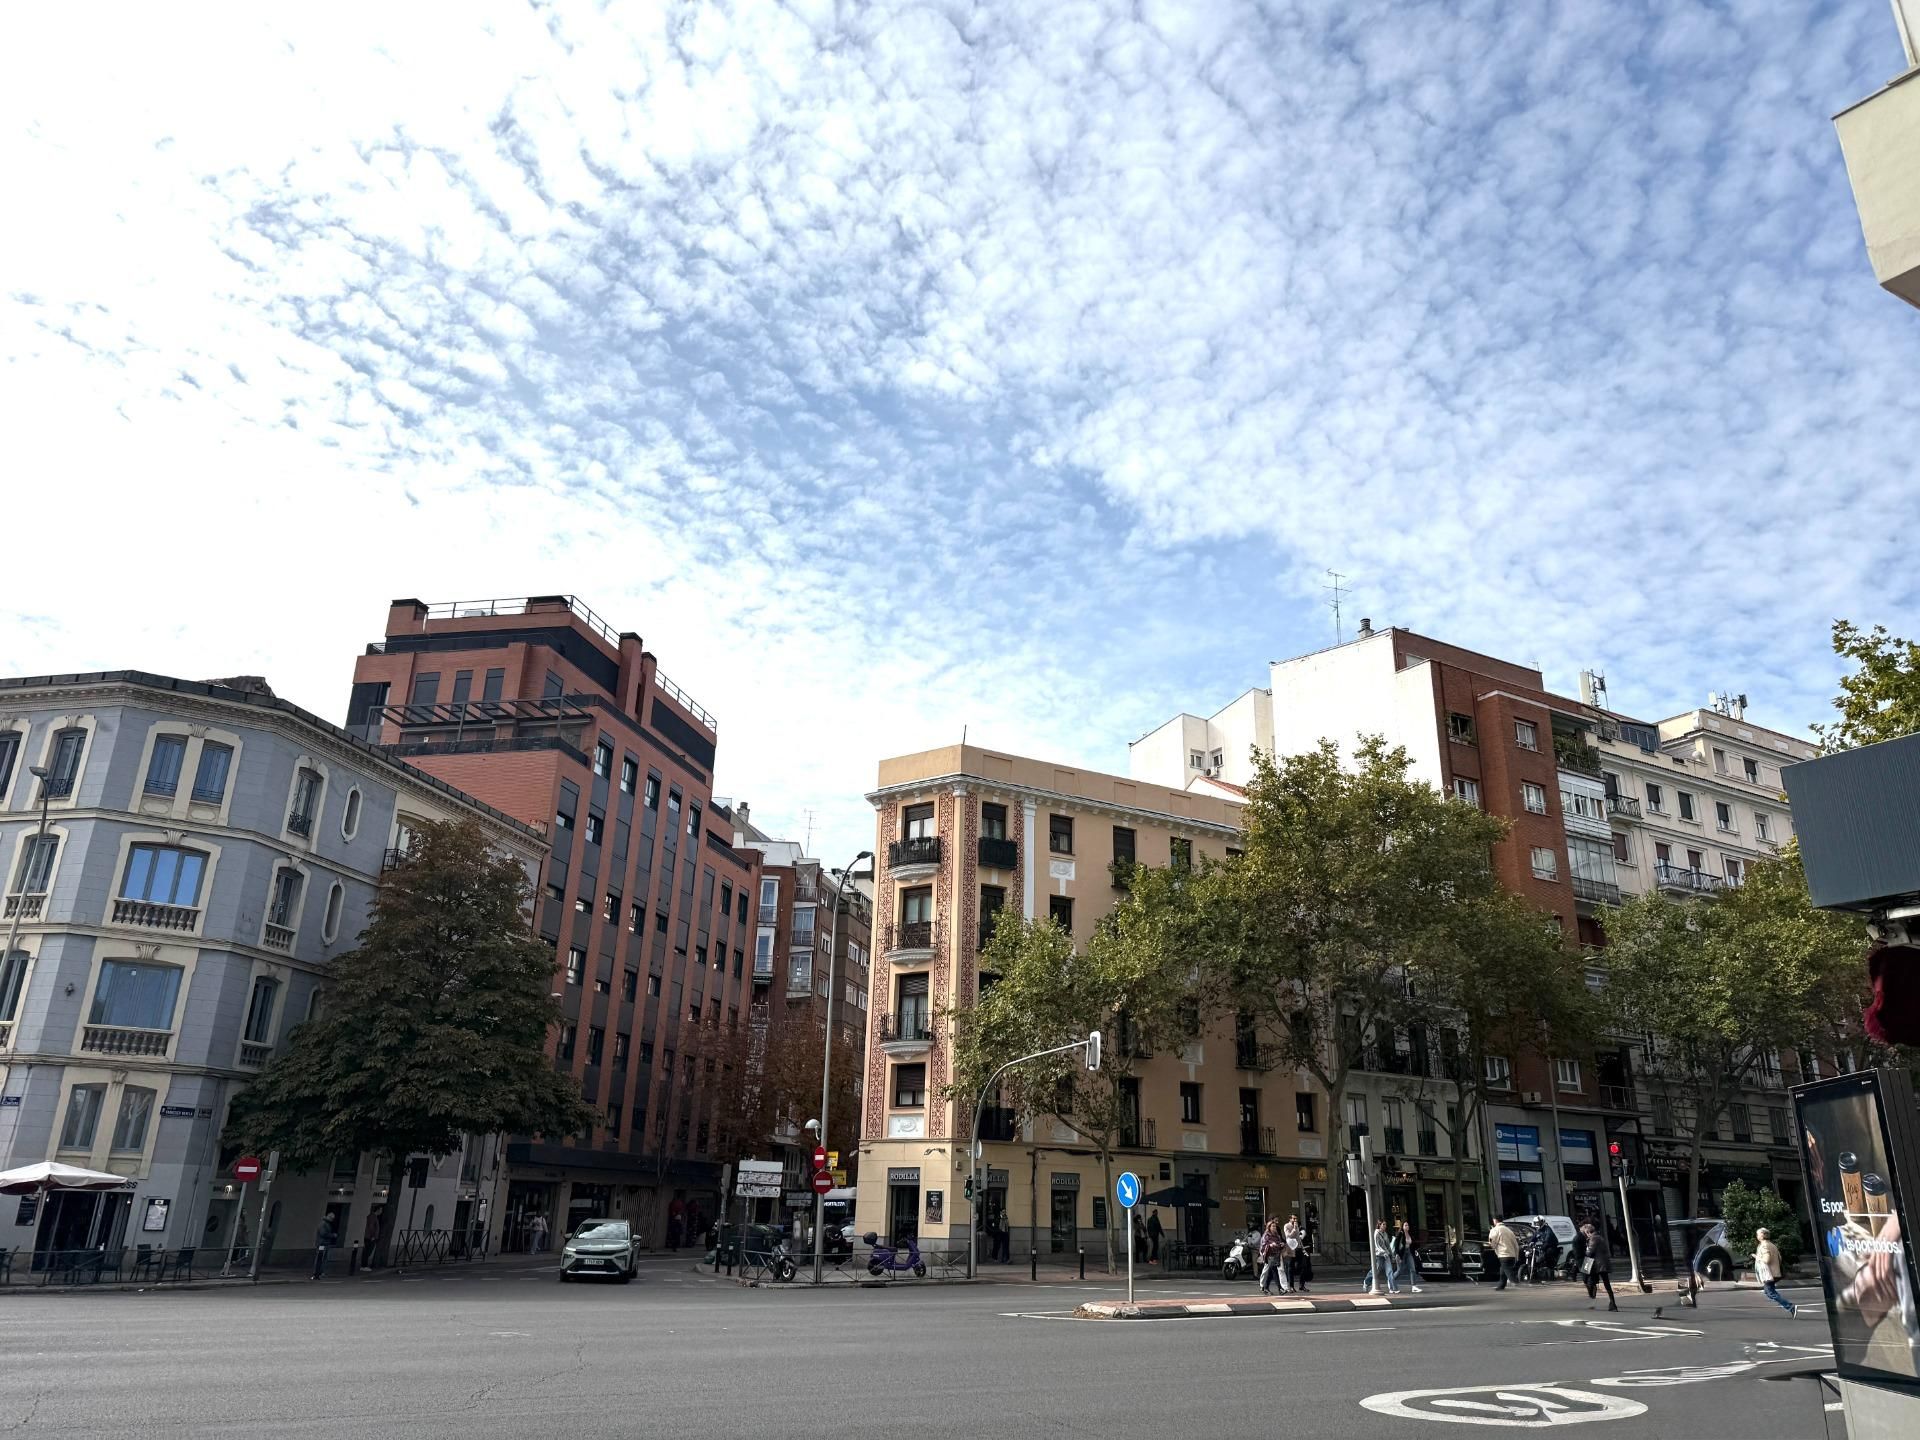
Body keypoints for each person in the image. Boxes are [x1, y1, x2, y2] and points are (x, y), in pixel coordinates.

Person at [1753, 1227, 1797, 1317]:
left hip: (1769, 1274)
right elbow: (1780, 1258)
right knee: (1768, 1291)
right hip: (1774, 1272)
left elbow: (1766, 1260)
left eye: (1758, 1234)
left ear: (1763, 1235)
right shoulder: (1772, 1245)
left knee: (1770, 1292)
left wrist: (1756, 1257)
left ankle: (1790, 1306)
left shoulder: (1764, 1245)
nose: (1757, 1236)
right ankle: (1789, 1306)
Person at [1581, 1221, 1617, 1311]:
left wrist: (1585, 1250)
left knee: (1593, 1281)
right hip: (1604, 1263)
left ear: (1589, 1232)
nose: (1587, 1236)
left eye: (1586, 1233)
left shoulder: (1593, 1239)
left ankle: (1610, 1303)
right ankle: (1612, 1303)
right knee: (1606, 1284)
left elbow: (1590, 1252)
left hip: (1599, 1265)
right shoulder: (1600, 1237)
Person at [1488, 1217, 1521, 1290]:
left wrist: (1492, 1246)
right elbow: (1516, 1244)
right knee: (1502, 1269)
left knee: (1506, 1268)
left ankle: (1515, 1281)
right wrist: (1516, 1256)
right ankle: (1501, 1285)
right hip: (1512, 1254)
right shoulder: (1509, 1230)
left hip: (1503, 1253)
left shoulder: (1495, 1230)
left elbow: (1492, 1242)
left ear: (1495, 1220)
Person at [1370, 1219, 1399, 1295]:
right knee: (1376, 1270)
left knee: (1389, 1271)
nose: (1385, 1226)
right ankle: (1366, 1281)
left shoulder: (1385, 1234)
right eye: (1383, 1224)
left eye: (1385, 1224)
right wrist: (1383, 1252)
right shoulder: (1376, 1233)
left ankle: (1393, 1288)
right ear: (1379, 1225)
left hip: (1386, 1255)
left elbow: (1388, 1246)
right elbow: (1377, 1246)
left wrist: (1391, 1255)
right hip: (1379, 1255)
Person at [1257, 1219, 1285, 1296]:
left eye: (1275, 1226)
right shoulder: (1266, 1235)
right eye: (1272, 1226)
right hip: (1269, 1255)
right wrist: (1270, 1245)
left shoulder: (1277, 1235)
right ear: (1269, 1227)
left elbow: (1279, 1244)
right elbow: (1263, 1245)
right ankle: (1280, 1288)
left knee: (1271, 1272)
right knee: (1274, 1270)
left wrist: (1281, 1245)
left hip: (1276, 1255)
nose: (1274, 1228)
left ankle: (1265, 1287)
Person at [1397, 1220, 1424, 1293]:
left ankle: (1414, 1286)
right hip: (1402, 1254)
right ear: (1402, 1227)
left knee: (1412, 1269)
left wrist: (1415, 1251)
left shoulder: (1409, 1234)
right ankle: (1391, 1281)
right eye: (1405, 1225)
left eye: (1407, 1225)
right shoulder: (1400, 1234)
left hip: (1409, 1253)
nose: (1407, 1227)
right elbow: (1396, 1246)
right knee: (1400, 1271)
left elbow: (1413, 1244)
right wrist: (1398, 1255)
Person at [1281, 1215, 1304, 1293]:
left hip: (1298, 1247)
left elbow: (1298, 1237)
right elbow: (1288, 1236)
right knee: (1290, 1267)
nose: (1295, 1220)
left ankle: (1302, 1285)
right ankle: (1291, 1286)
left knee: (1303, 1266)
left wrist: (1302, 1247)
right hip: (1291, 1248)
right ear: (1290, 1219)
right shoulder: (1287, 1226)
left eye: (1296, 1219)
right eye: (1294, 1218)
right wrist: (1294, 1229)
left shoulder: (1297, 1226)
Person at [312, 1216, 336, 1281]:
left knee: (323, 1258)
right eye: (332, 1218)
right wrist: (332, 1235)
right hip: (322, 1243)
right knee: (320, 1258)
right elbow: (323, 1233)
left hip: (324, 1243)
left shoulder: (325, 1224)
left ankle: (319, 1272)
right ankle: (316, 1273)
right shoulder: (323, 1224)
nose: (332, 1219)